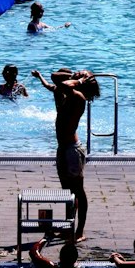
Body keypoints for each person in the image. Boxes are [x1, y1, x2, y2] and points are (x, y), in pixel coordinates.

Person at [34, 68, 100, 236]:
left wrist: (80, 80)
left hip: (72, 150)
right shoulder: (67, 95)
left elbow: (63, 84)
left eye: (80, 73)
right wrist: (42, 76)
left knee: (78, 190)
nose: (76, 72)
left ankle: (80, 231)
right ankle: (68, 226)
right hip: (63, 148)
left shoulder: (78, 97)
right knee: (67, 192)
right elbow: (56, 79)